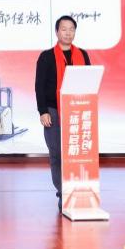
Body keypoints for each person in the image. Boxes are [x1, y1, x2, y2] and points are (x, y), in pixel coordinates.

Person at [34, 15, 91, 212]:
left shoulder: (83, 55)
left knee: (76, 153)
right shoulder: (46, 57)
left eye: (71, 29)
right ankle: (62, 192)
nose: (68, 33)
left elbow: (89, 81)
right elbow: (39, 86)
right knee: (57, 154)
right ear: (57, 32)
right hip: (53, 110)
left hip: (77, 110)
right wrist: (43, 111)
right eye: (64, 29)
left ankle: (79, 189)